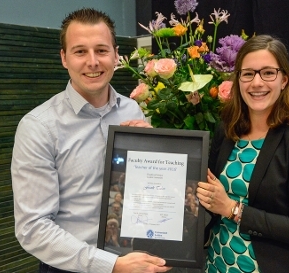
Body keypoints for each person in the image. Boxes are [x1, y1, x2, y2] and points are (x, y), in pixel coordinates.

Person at [11, 7, 171, 273]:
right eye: (80, 51)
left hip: (136, 259)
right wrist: (111, 266)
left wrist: (152, 149)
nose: (93, 61)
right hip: (71, 267)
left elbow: (144, 189)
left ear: (116, 55)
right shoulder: (38, 127)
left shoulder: (133, 110)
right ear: (64, 58)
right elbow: (33, 227)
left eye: (101, 50)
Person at [196, 35, 289, 273]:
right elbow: (211, 200)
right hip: (217, 263)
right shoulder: (227, 131)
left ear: (284, 80)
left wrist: (233, 209)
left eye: (268, 73)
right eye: (248, 73)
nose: (257, 82)